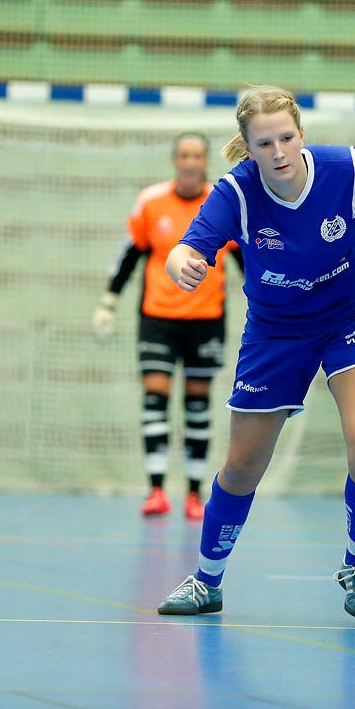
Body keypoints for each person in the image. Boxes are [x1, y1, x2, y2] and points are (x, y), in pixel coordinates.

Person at [156, 86, 355, 619]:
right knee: (242, 466)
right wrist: (183, 265)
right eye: (264, 144)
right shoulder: (237, 193)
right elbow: (187, 247)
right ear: (248, 146)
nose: (279, 152)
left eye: (287, 137)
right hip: (277, 330)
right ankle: (206, 579)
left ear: (302, 134)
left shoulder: (347, 169)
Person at [93, 133, 242, 520]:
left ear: (206, 160)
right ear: (175, 160)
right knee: (155, 396)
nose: (190, 161)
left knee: (197, 402)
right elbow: (130, 254)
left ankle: (195, 494)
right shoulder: (151, 201)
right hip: (157, 316)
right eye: (184, 155)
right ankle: (156, 490)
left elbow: (248, 261)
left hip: (206, 317)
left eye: (197, 155)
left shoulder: (224, 201)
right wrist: (109, 301)